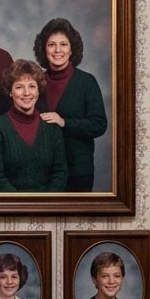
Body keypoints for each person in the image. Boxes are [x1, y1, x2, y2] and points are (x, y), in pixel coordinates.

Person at [33, 18, 106, 192]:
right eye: (51, 44)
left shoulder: (87, 82)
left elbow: (99, 125)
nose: (58, 50)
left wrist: (64, 122)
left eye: (64, 44)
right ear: (44, 48)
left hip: (78, 172)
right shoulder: (36, 82)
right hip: (43, 171)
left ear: (72, 49)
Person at [0, 59, 67, 193]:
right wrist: (22, 204)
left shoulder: (51, 126)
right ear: (10, 91)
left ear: (39, 90)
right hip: (11, 207)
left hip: (48, 207)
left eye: (32, 86)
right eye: (19, 87)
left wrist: (45, 203)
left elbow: (60, 172)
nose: (27, 93)